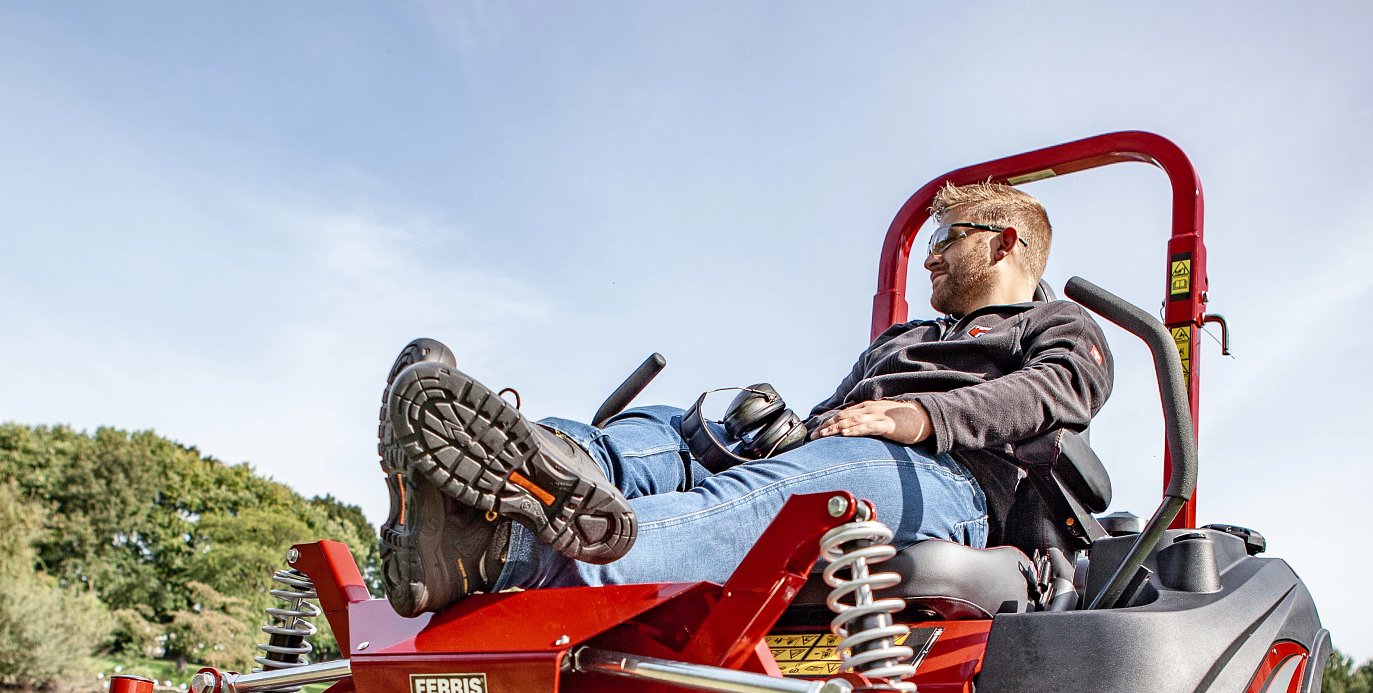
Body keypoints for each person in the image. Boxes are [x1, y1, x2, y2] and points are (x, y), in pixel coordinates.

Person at [375, 181, 1114, 617]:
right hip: (844, 449)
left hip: (947, 483)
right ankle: (512, 466)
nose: (930, 253)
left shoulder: (1058, 326)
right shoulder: (905, 337)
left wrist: (922, 417)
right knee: (681, 432)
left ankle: (508, 549)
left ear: (1006, 241)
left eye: (948, 237)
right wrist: (788, 427)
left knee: (769, 496)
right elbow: (837, 411)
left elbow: (1064, 387)